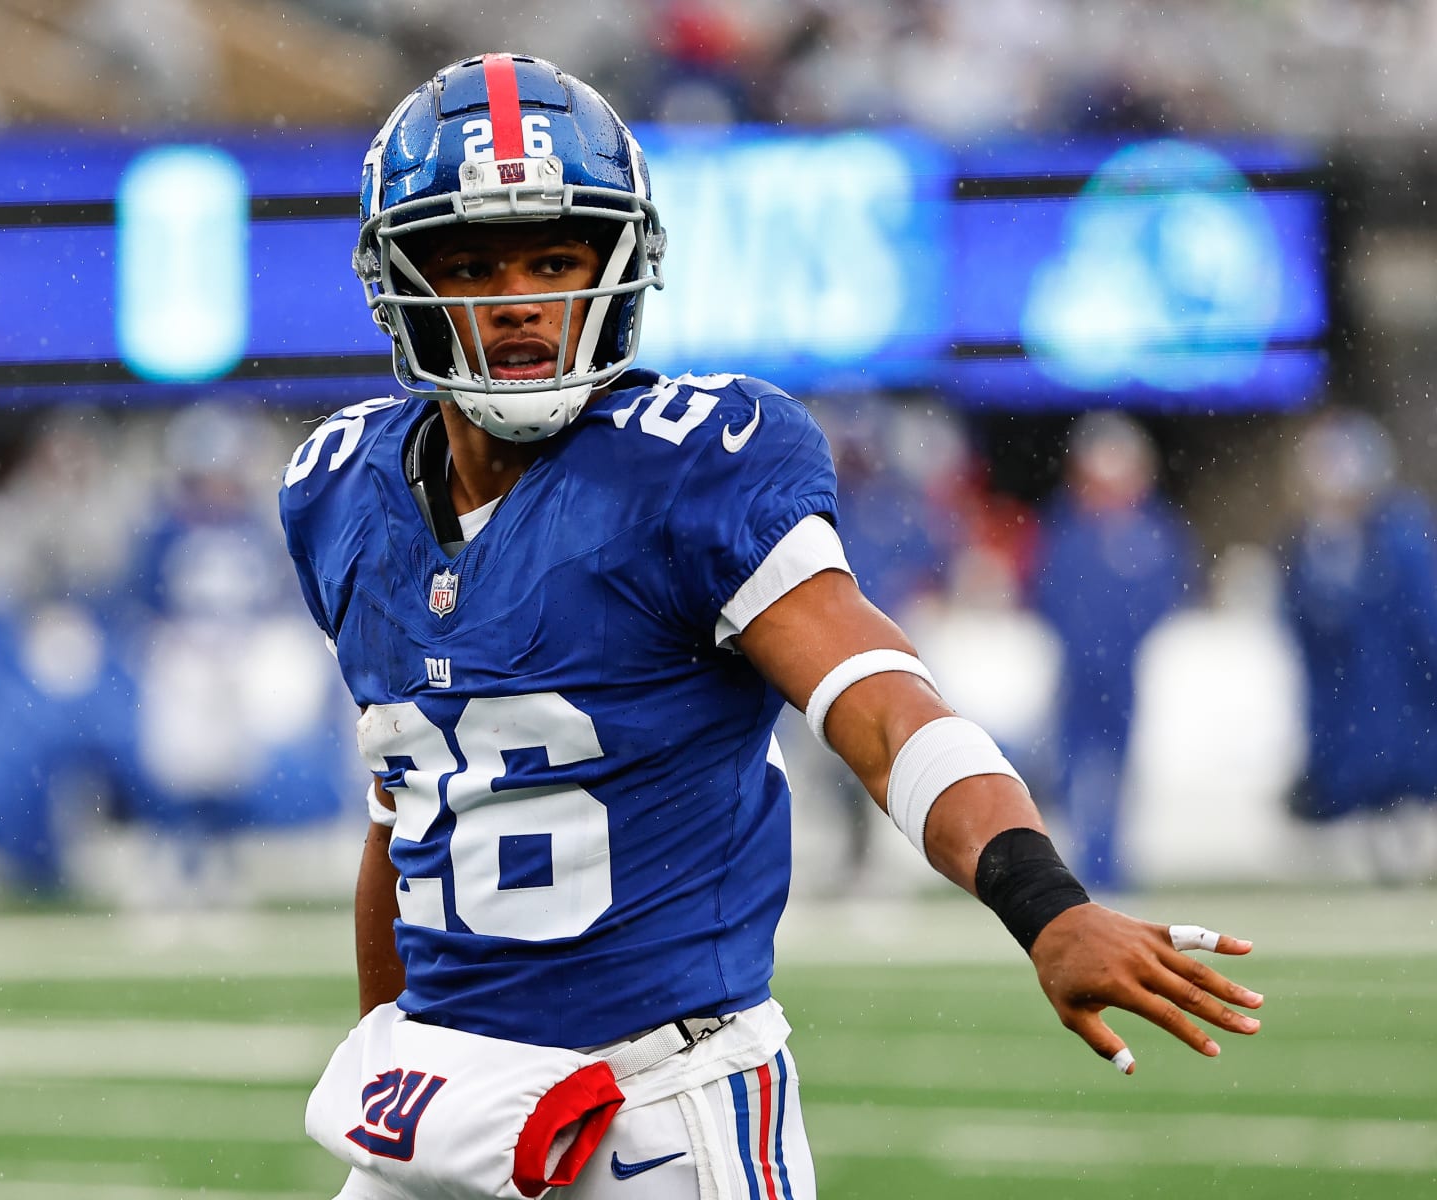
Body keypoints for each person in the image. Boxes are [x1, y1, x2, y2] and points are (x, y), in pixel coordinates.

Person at [279, 53, 1262, 1200]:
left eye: (555, 258)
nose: (521, 300)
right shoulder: (342, 486)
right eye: (474, 263)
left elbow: (885, 710)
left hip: (651, 1108)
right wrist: (396, 1038)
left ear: (620, 265)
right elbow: (405, 816)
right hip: (446, 1101)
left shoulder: (692, 468)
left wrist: (1044, 903)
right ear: (398, 279)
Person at [1033, 411, 1198, 892]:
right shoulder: (1067, 529)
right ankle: (1080, 865)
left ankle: (1108, 867)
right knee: (1071, 771)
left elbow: (1165, 595)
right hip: (1078, 671)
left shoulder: (1152, 531)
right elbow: (1050, 594)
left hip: (1124, 673)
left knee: (1115, 771)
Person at [1282, 409, 1437, 881]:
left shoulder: (1402, 534)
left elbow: (1423, 626)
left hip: (1402, 702)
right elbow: (1309, 635)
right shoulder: (1311, 541)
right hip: (1351, 711)